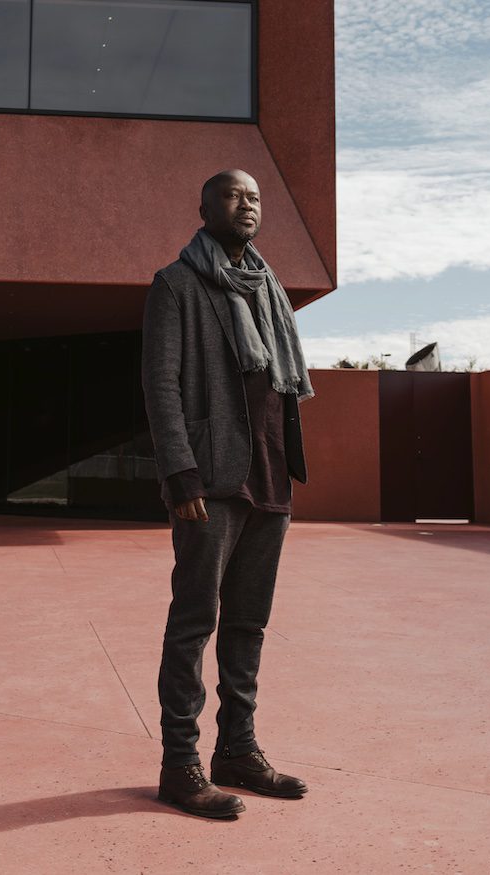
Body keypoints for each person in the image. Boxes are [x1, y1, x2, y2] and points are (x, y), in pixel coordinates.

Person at [142, 169, 312, 819]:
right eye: (234, 196)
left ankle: (237, 750)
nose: (248, 205)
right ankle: (180, 763)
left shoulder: (269, 287)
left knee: (248, 623)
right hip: (210, 478)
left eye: (257, 197)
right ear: (205, 205)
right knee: (194, 621)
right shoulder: (177, 284)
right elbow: (161, 385)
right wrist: (180, 474)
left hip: (270, 476)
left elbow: (283, 383)